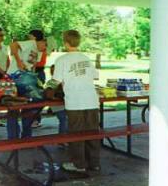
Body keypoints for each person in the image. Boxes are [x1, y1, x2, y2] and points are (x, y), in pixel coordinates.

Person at [52, 30, 100, 173]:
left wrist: (46, 89)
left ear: (66, 43)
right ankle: (94, 163)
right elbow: (95, 76)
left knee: (76, 134)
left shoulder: (62, 60)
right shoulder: (86, 58)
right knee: (92, 133)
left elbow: (55, 81)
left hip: (75, 102)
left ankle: (79, 165)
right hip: (91, 100)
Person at [7, 30, 46, 139]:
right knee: (13, 108)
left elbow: (33, 65)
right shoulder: (31, 43)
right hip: (14, 76)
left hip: (27, 79)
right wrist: (19, 61)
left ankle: (26, 136)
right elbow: (13, 45)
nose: (45, 48)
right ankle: (13, 138)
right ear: (40, 41)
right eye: (44, 44)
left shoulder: (40, 51)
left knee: (30, 107)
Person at [44, 65, 67, 134]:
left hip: (65, 104)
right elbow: (49, 95)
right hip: (58, 105)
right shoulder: (52, 82)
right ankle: (63, 138)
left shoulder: (65, 80)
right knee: (64, 119)